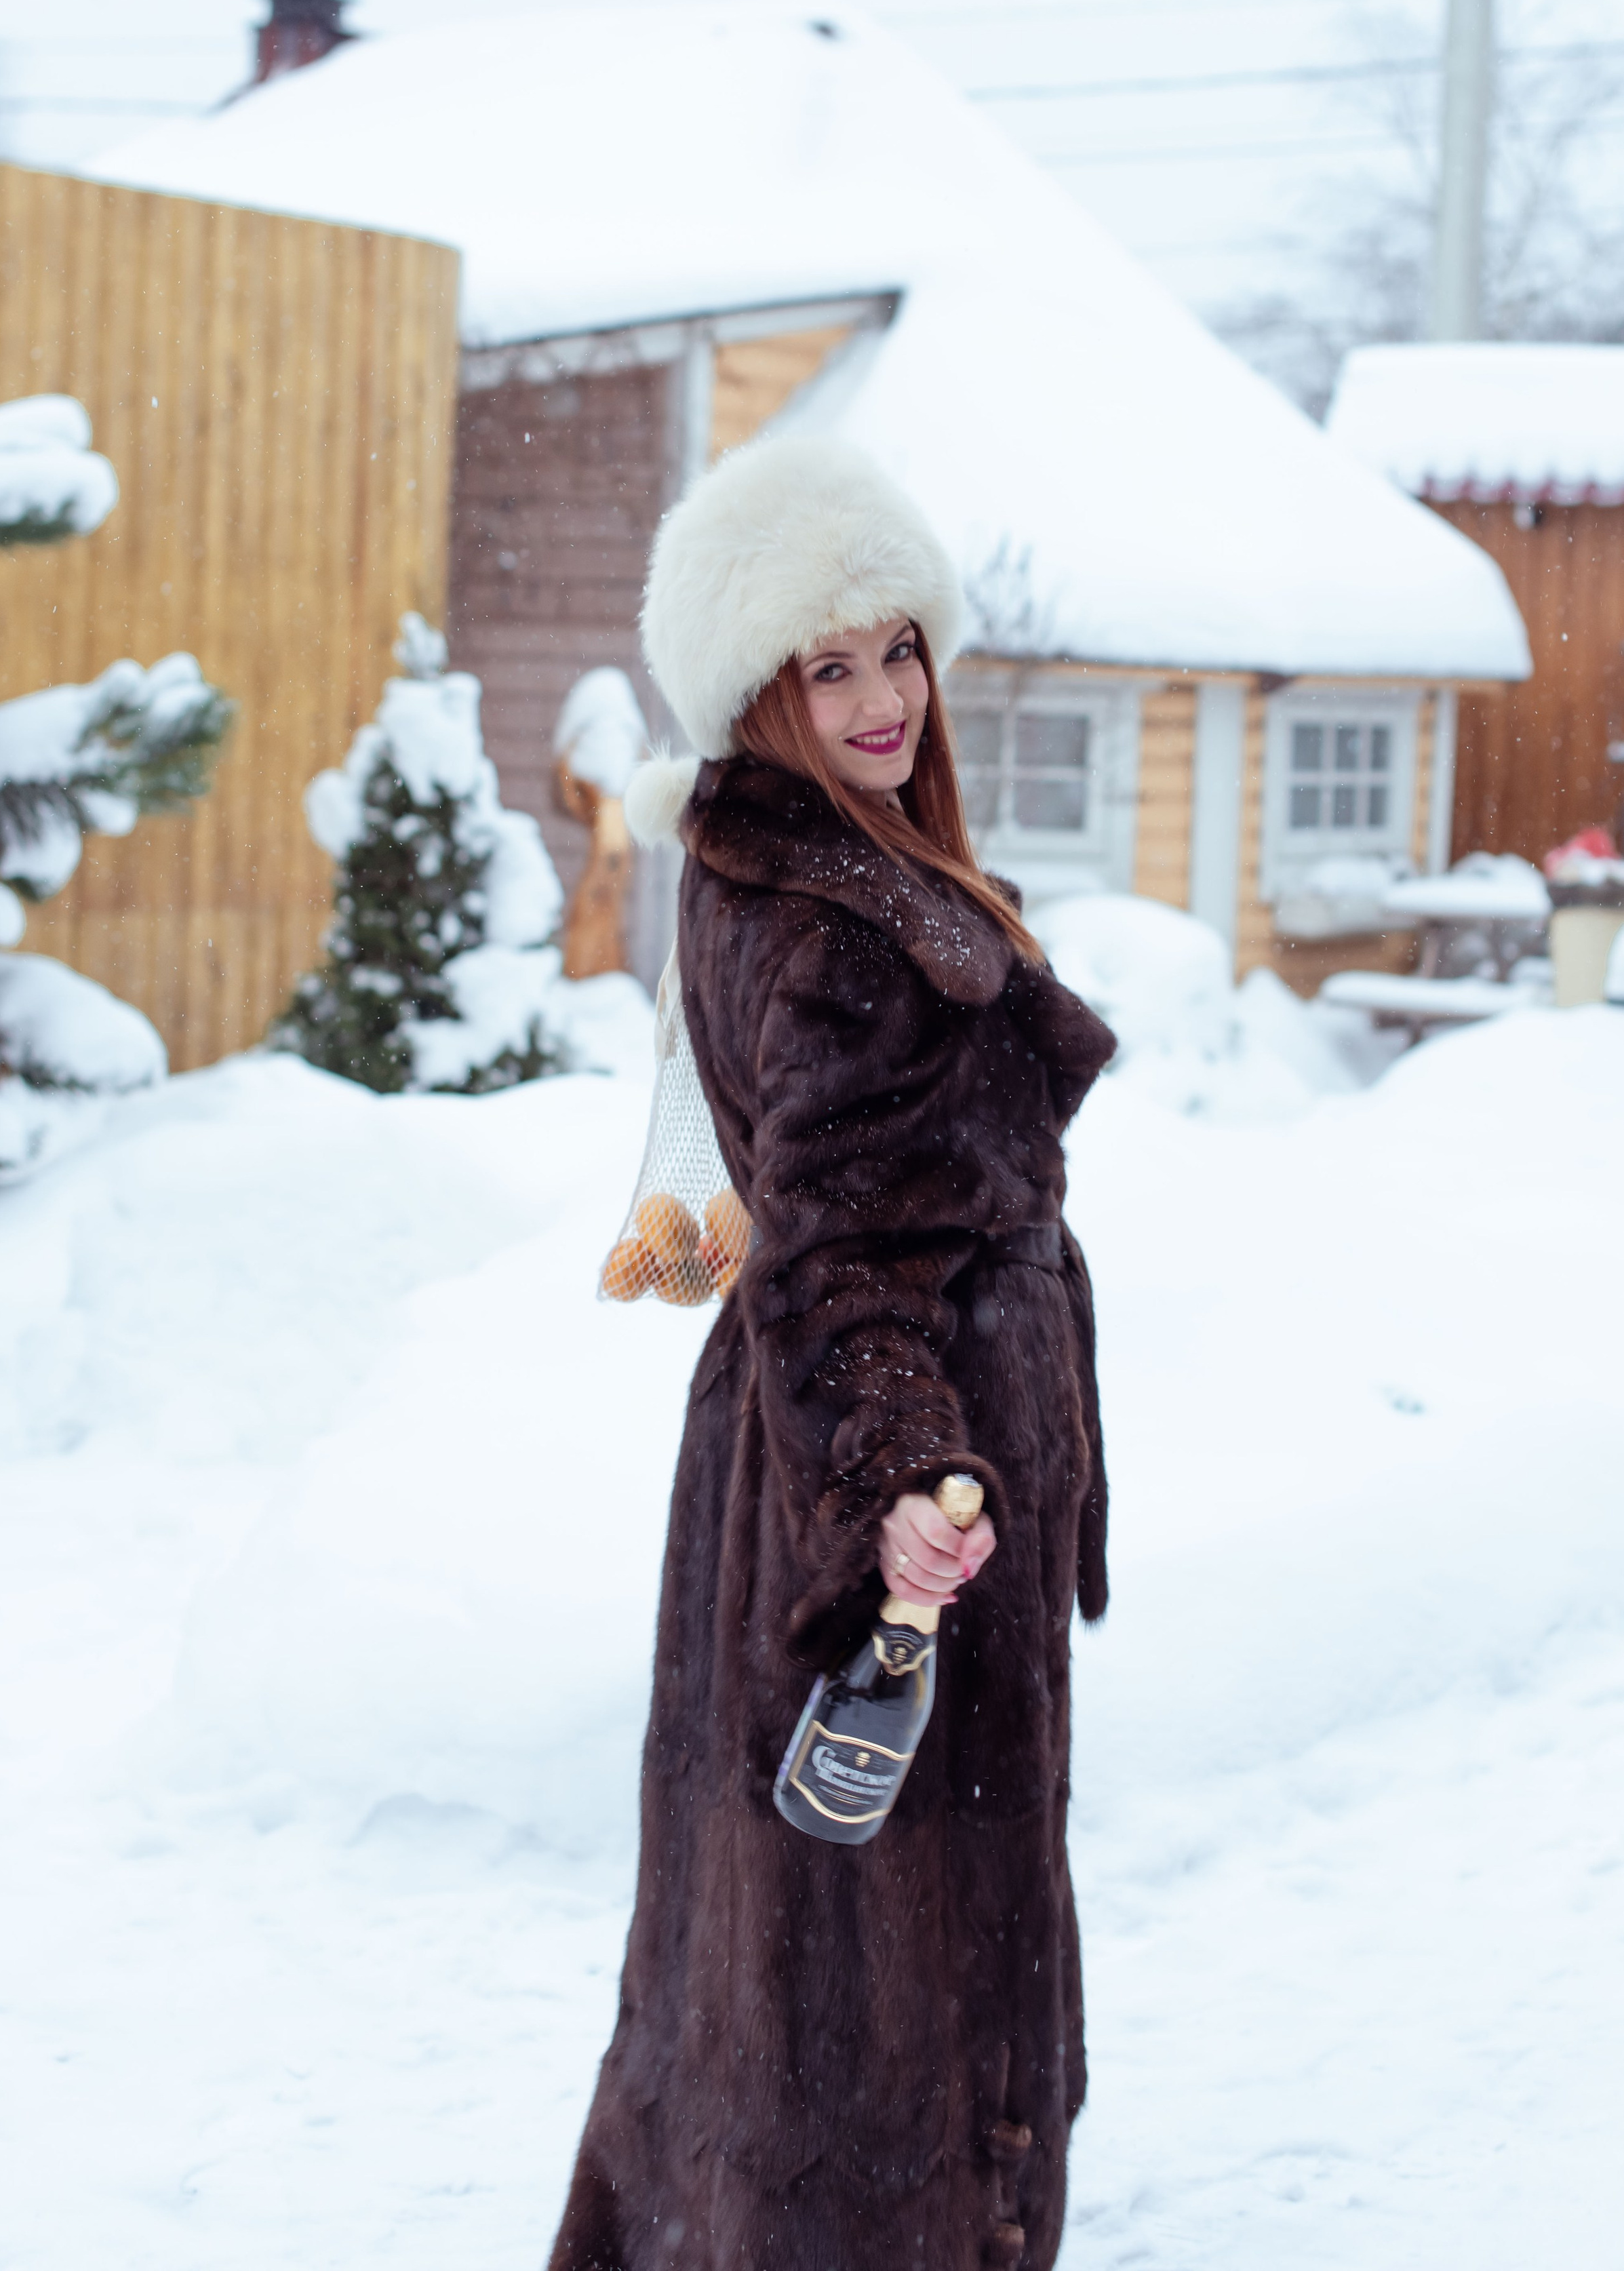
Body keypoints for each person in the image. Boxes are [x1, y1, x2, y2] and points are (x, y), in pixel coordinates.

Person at [549, 437, 1117, 2271]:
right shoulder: (842, 932)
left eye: (899, 648)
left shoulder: (783, 865)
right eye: (829, 664)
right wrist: (901, 1491)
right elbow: (838, 1262)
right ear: (761, 693)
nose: (881, 697)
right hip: (884, 1468)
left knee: (768, 1968)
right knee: (898, 2015)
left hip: (787, 1473)